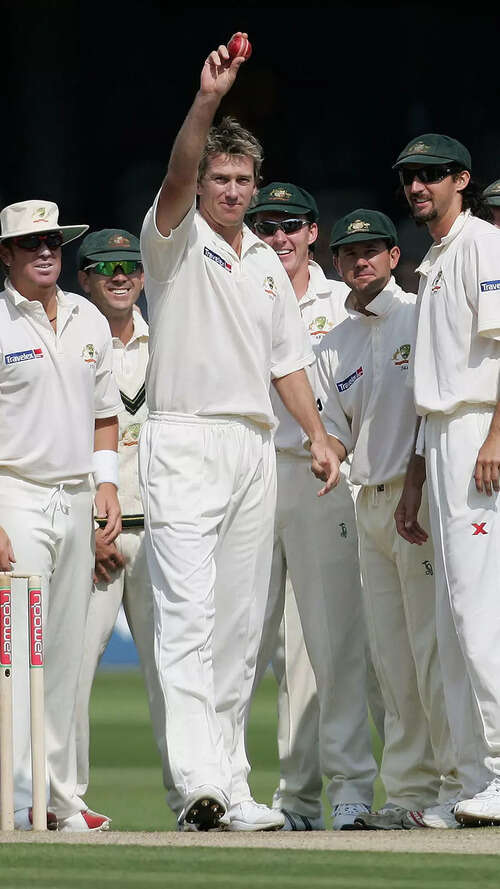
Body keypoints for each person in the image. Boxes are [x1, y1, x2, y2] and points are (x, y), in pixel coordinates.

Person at [138, 36, 341, 832]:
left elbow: (286, 361)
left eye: (241, 179)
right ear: (204, 183)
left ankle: (231, 779)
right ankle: (197, 780)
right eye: (219, 178)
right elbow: (176, 172)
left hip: (254, 444)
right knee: (187, 615)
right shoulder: (173, 239)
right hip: (185, 436)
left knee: (240, 627)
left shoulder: (263, 262)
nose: (229, 189)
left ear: (256, 185)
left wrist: (316, 435)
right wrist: (208, 100)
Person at [314, 208, 460, 830]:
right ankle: (407, 792)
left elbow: (430, 413)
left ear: (394, 257)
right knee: (391, 659)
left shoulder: (419, 316)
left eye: (372, 250)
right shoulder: (334, 343)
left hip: (415, 497)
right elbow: (337, 431)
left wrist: (415, 486)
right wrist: (327, 453)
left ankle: (457, 786)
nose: (361, 261)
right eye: (350, 253)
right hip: (367, 500)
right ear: (337, 263)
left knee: (431, 648)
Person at [246, 183, 378, 830]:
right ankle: (273, 796)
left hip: (320, 475)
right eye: (267, 227)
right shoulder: (240, 290)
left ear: (312, 232)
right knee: (248, 643)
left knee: (333, 642)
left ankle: (351, 790)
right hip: (251, 471)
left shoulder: (340, 302)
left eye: (290, 226)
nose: (279, 238)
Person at [0, 200, 122, 831]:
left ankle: (60, 798)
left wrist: (108, 485)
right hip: (15, 492)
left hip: (76, 496)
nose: (45, 252)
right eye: (30, 244)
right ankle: (21, 797)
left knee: (68, 653)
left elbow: (105, 415)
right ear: (7, 255)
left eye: (52, 241)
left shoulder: (88, 318)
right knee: (21, 652)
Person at [393, 133, 500, 826]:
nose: (417, 186)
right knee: (450, 617)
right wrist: (415, 477)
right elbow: (429, 384)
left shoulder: (484, 244)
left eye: (431, 175)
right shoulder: (434, 259)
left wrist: (495, 436)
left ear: (462, 179)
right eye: (409, 177)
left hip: (476, 429)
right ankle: (471, 779)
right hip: (440, 437)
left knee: (479, 609)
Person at [74, 228, 181, 818]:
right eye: (106, 268)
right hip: (96, 535)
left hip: (163, 533)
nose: (120, 277)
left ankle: (192, 795)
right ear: (84, 278)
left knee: (176, 674)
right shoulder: (71, 344)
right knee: (72, 675)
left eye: (131, 267)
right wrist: (87, 526)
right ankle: (63, 800)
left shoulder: (168, 338)